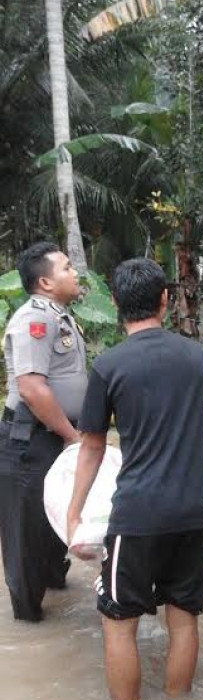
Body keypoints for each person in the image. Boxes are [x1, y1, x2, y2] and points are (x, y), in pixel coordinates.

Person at [67, 258, 203, 700]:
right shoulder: (198, 358)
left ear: (113, 302)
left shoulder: (109, 365)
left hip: (137, 515)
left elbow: (91, 447)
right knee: (184, 620)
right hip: (194, 511)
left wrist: (73, 513)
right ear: (165, 301)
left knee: (118, 621)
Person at [0, 242, 85, 622]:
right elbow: (32, 389)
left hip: (55, 436)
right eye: (67, 268)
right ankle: (28, 615)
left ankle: (53, 583)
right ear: (46, 282)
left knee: (54, 519)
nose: (75, 273)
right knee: (25, 532)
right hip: (30, 439)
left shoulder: (61, 316)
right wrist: (72, 436)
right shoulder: (34, 318)